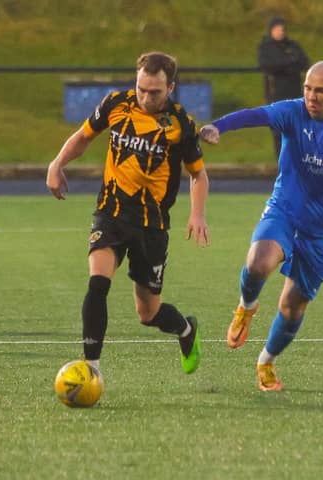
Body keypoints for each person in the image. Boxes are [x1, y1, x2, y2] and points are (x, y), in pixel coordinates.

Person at [200, 60, 323, 391]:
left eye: (321, 90)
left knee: (292, 307)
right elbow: (255, 115)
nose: (312, 96)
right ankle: (246, 307)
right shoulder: (292, 112)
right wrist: (218, 127)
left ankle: (266, 361)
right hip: (284, 210)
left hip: (322, 228)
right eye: (308, 88)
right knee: (258, 262)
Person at [46, 51, 209, 379]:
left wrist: (197, 214)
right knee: (97, 284)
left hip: (152, 225)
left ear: (171, 87)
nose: (146, 97)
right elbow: (83, 137)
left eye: (155, 92)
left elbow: (198, 175)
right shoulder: (116, 103)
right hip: (111, 213)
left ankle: (185, 330)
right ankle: (92, 369)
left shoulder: (181, 124)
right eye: (141, 88)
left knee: (148, 313)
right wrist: (57, 163)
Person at [258, 16, 310, 158]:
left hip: (294, 93)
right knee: (278, 129)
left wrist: (288, 64)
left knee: (296, 128)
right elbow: (268, 66)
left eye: (282, 29)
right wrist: (288, 63)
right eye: (277, 29)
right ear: (271, 31)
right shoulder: (266, 48)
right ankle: (281, 160)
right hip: (275, 94)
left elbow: (304, 62)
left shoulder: (292, 45)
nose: (280, 32)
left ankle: (297, 159)